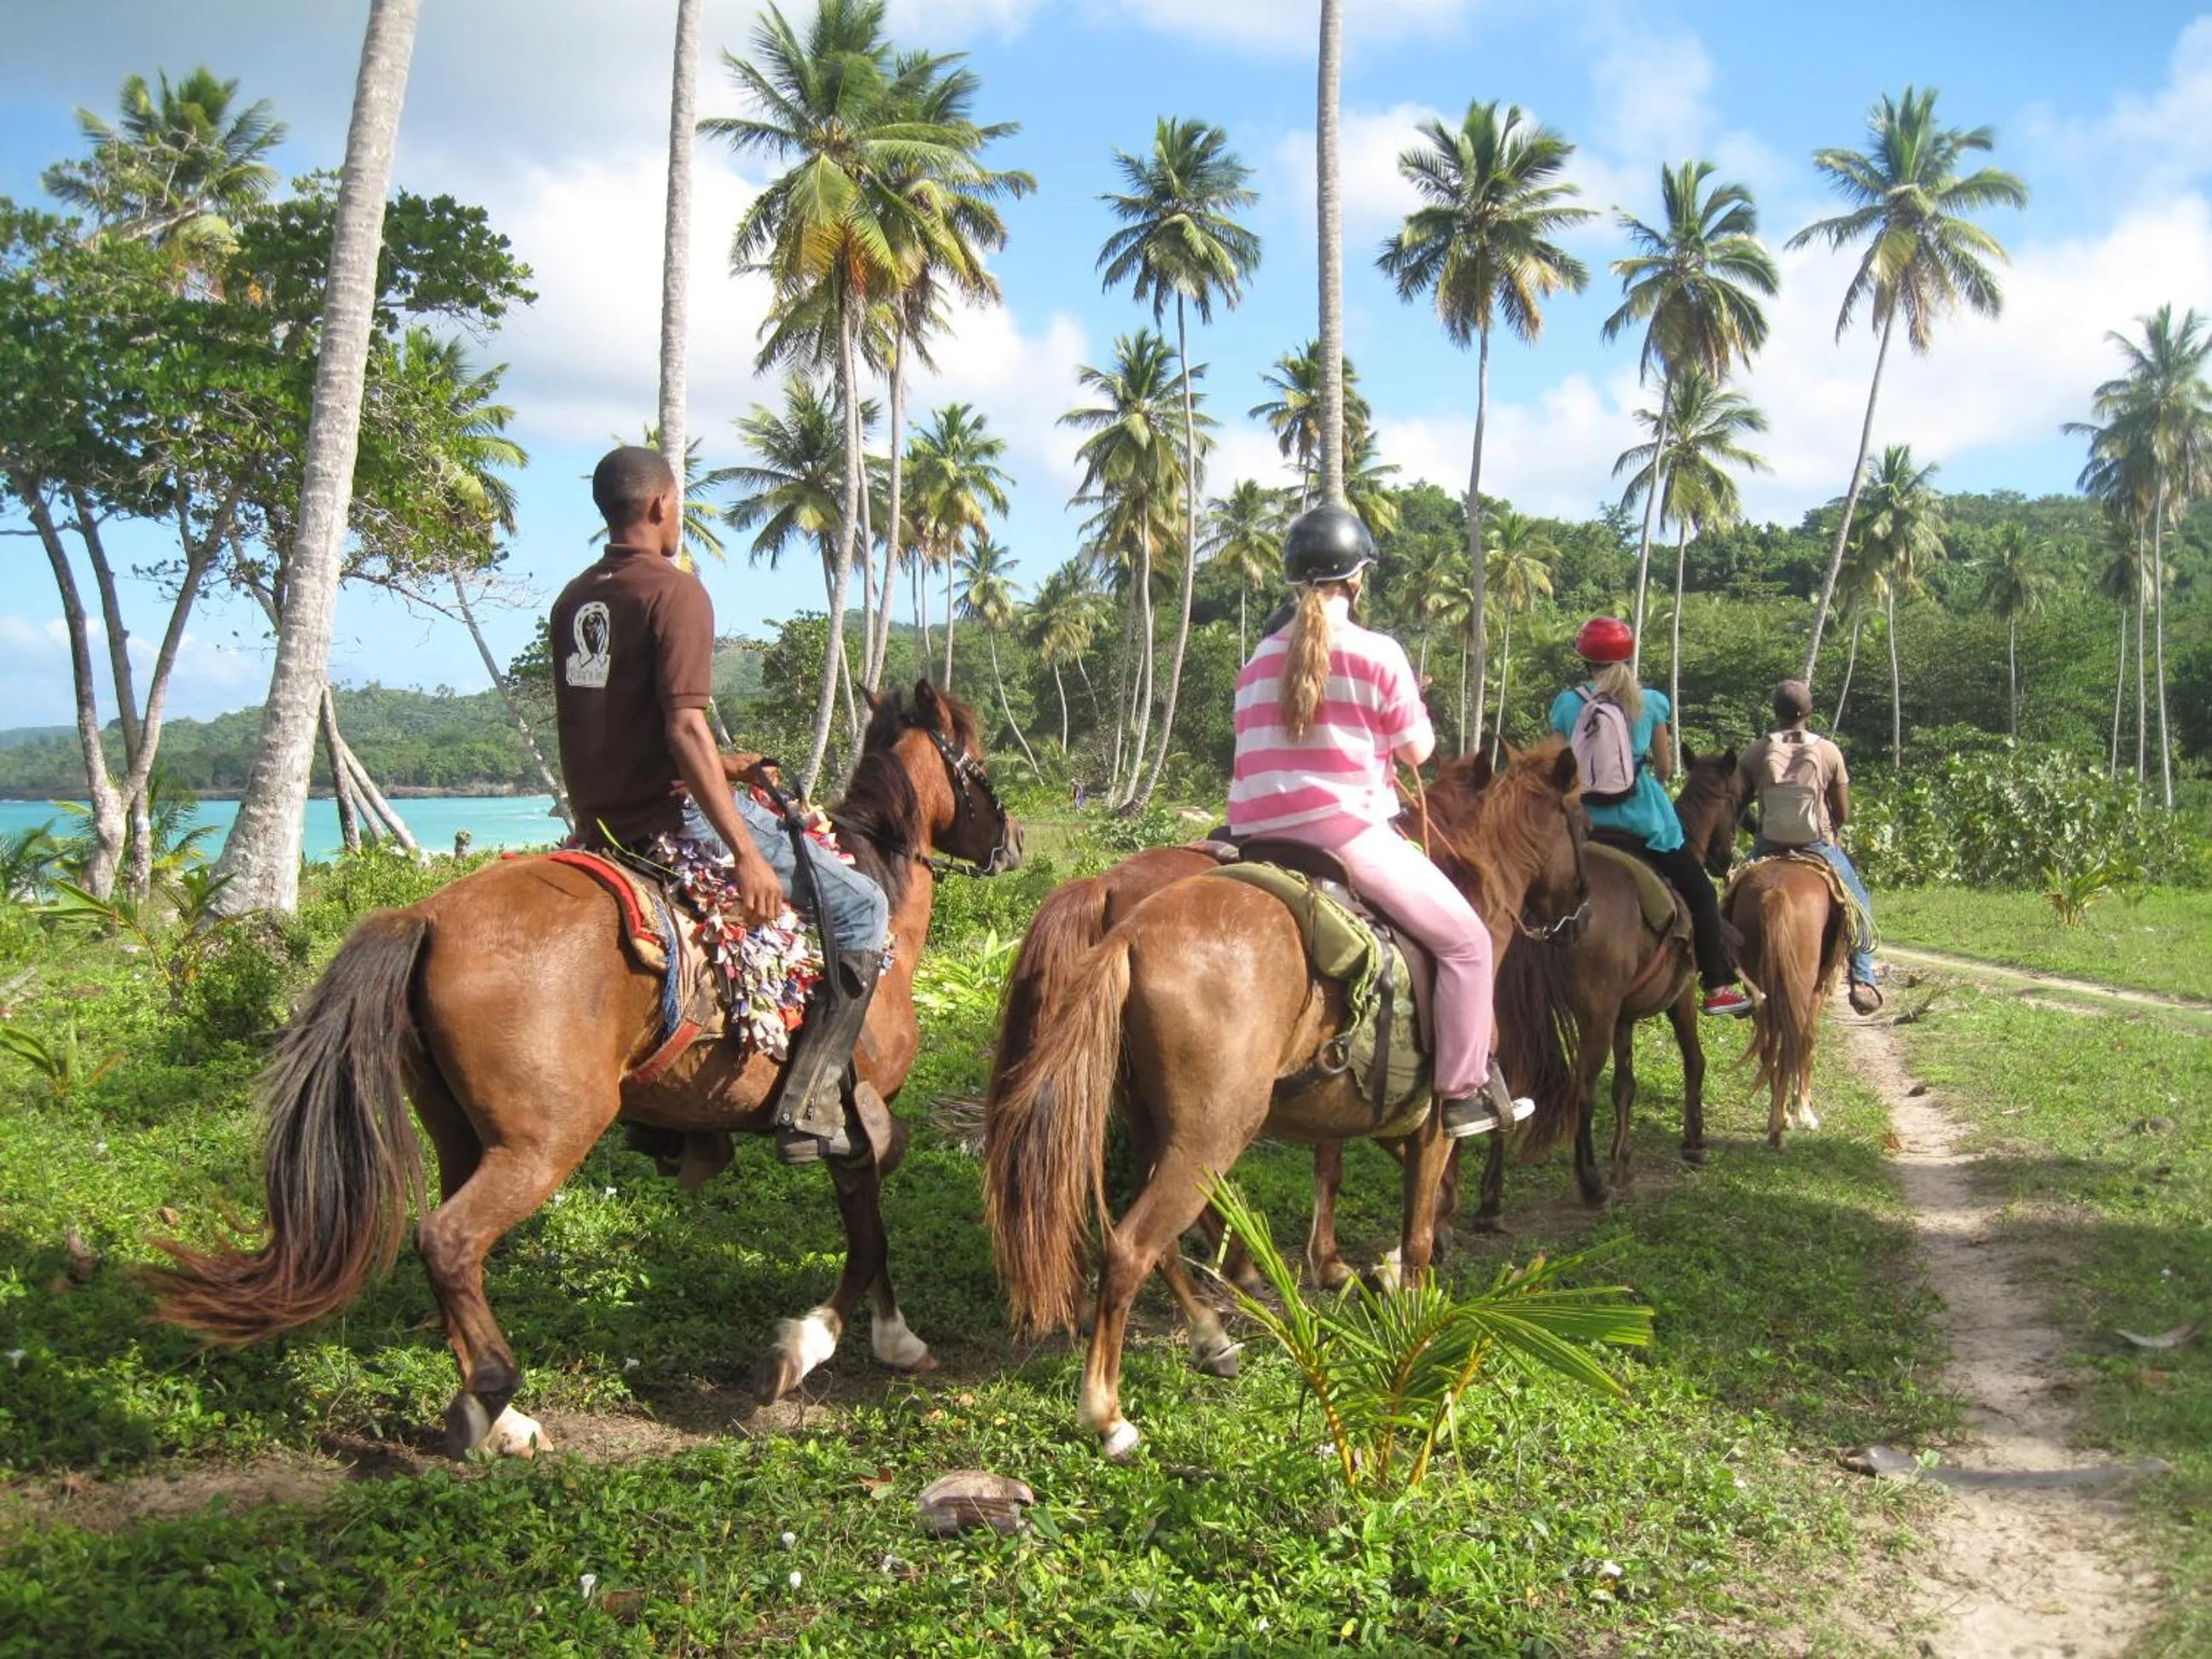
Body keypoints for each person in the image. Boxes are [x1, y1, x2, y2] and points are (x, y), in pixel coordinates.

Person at [550, 445, 890, 1165]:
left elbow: (618, 722)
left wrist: (729, 766)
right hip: (670, 822)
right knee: (862, 906)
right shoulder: (675, 592)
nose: (678, 515)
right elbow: (683, 726)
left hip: (599, 827)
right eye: (678, 503)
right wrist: (743, 853)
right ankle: (808, 1107)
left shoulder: (575, 599)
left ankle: (668, 1120)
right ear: (658, 506)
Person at [1227, 504, 1528, 1139]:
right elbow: (1418, 752)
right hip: (1345, 838)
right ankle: (1462, 1092)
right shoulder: (1377, 652)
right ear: (1358, 577)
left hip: (1252, 839)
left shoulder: (1256, 662)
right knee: (1469, 944)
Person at [1547, 618, 1751, 1017]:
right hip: (1645, 826)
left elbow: (1559, 766)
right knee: (1702, 894)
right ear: (1628, 656)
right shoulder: (1652, 703)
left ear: (1584, 659)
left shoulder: (1567, 704)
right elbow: (1665, 765)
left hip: (1583, 824)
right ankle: (1717, 986)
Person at [1738, 679, 1883, 1016]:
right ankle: (1861, 979)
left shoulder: (1756, 751)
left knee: (1730, 897)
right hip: (1817, 845)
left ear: (1775, 712)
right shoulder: (1828, 751)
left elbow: (1737, 803)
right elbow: (1842, 810)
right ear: (1810, 711)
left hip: (1768, 844)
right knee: (1859, 899)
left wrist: (1755, 828)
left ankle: (1733, 978)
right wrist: (1834, 831)